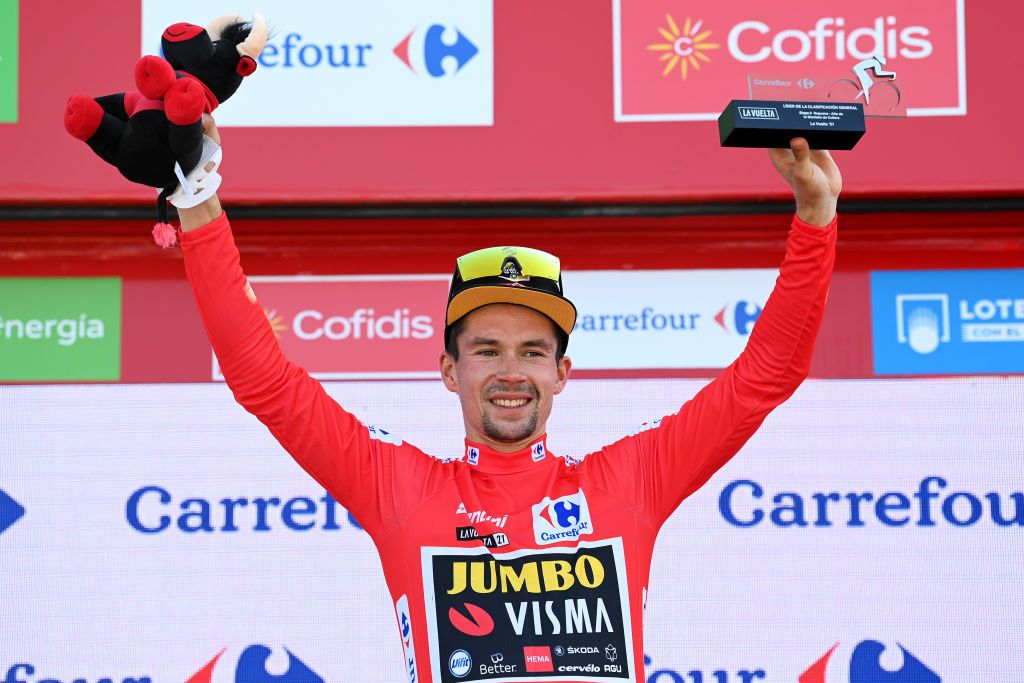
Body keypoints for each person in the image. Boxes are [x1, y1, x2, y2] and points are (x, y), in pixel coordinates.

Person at [176, 115, 839, 683]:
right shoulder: (403, 489)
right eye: (487, 350)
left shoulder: (625, 483)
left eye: (533, 351)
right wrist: (198, 197)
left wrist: (815, 218)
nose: (511, 371)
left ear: (562, 372)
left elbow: (768, 374)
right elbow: (262, 378)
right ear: (448, 369)